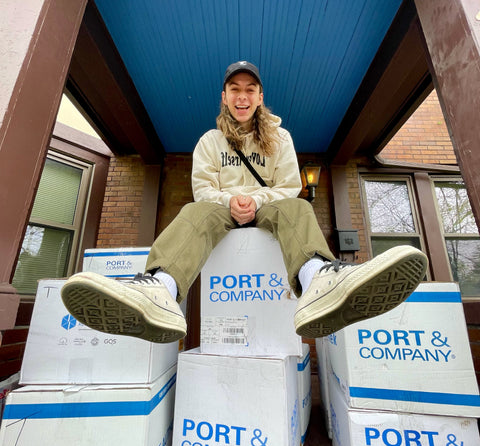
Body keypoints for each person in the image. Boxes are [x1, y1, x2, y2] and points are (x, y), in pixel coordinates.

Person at [61, 61, 428, 343]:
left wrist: (252, 200)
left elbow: (288, 187)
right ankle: (160, 289)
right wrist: (232, 201)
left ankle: (320, 281)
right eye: (234, 89)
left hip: (269, 210)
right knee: (194, 211)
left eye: (250, 89)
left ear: (260, 96)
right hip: (220, 211)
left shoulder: (281, 138)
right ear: (224, 96)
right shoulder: (209, 142)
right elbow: (203, 190)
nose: (242, 96)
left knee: (298, 207)